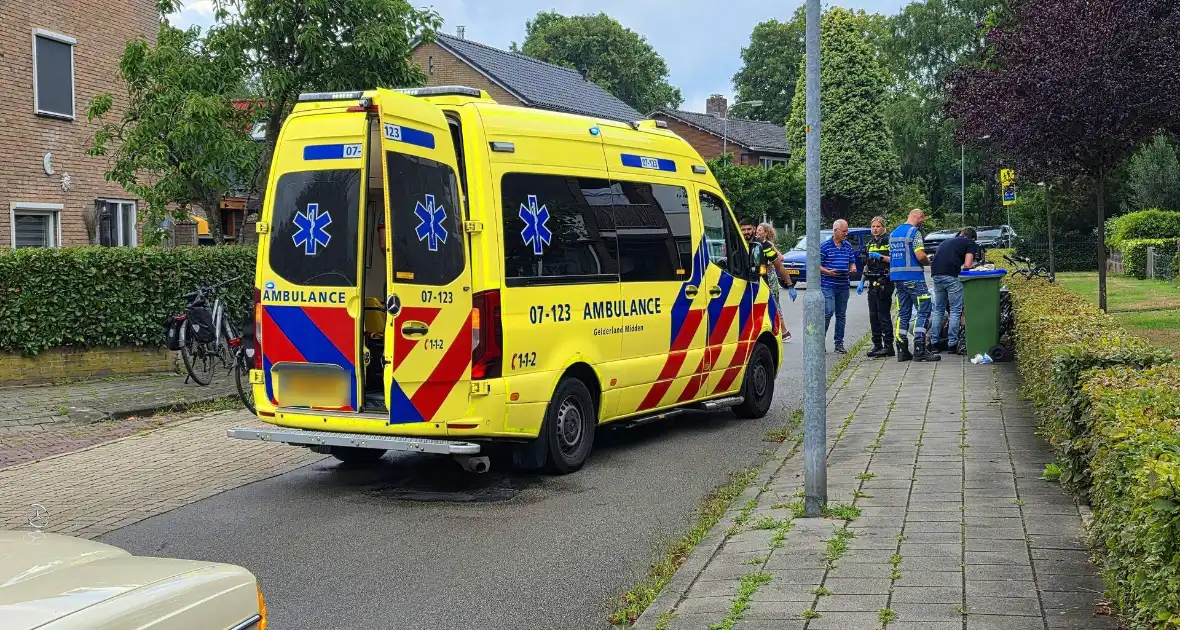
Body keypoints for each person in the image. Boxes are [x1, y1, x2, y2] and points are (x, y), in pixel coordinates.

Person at [889, 208, 940, 362]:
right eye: (922, 219)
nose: (922, 222)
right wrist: (929, 262)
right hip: (914, 279)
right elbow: (920, 255)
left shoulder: (893, 234)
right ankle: (919, 348)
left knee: (903, 313)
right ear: (918, 216)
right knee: (923, 311)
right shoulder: (914, 233)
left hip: (898, 280)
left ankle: (902, 349)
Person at [928, 227, 979, 355]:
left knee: (939, 309)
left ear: (961, 234)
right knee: (955, 310)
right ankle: (952, 344)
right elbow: (967, 265)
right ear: (972, 238)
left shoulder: (946, 241)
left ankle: (934, 343)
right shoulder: (970, 243)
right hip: (950, 276)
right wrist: (975, 267)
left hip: (935, 274)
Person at [858, 216, 894, 358]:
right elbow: (867, 264)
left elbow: (895, 260)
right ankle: (877, 345)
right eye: (873, 227)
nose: (875, 229)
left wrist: (881, 257)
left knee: (883, 315)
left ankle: (888, 346)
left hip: (885, 280)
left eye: (878, 226)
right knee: (873, 316)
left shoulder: (888, 241)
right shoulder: (871, 243)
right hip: (872, 281)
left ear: (884, 227)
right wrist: (862, 280)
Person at [820, 219, 857, 353]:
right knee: (828, 312)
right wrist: (828, 272)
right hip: (828, 284)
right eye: (844, 231)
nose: (846, 234)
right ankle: (820, 342)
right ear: (835, 231)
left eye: (847, 231)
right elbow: (817, 265)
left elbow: (852, 261)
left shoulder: (847, 246)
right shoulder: (824, 246)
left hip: (843, 284)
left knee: (841, 315)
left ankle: (839, 343)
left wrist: (852, 268)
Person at [755, 222, 796, 340]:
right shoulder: (759, 244)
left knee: (773, 302)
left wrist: (790, 285)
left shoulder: (768, 245)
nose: (758, 232)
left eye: (760, 230)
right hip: (766, 273)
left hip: (770, 275)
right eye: (757, 230)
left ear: (766, 233)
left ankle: (784, 331)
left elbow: (780, 259)